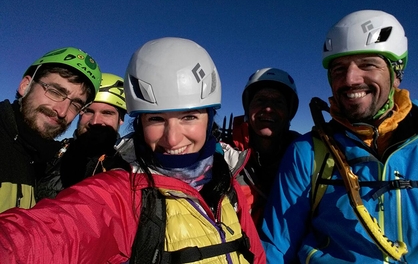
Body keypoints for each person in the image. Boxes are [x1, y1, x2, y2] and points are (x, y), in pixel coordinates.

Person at [0, 37, 265, 264]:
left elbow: (256, 254)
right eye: (156, 119)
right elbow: (47, 233)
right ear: (138, 124)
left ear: (210, 120)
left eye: (189, 117)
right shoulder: (122, 192)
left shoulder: (223, 181)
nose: (172, 140)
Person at [260, 10, 418, 263]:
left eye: (368, 65)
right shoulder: (308, 151)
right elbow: (276, 246)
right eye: (339, 69)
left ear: (397, 73)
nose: (350, 79)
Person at [0, 47, 101, 213]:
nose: (62, 111)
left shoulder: (46, 159)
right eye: (55, 91)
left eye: (75, 104)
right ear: (25, 85)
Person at [221, 67, 300, 227]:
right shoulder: (223, 156)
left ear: (289, 111)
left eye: (278, 102)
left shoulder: (305, 156)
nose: (268, 109)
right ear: (248, 108)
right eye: (261, 100)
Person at [36, 73, 129, 201]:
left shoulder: (127, 170)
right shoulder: (52, 153)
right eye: (88, 111)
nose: (95, 121)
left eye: (107, 113)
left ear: (121, 119)